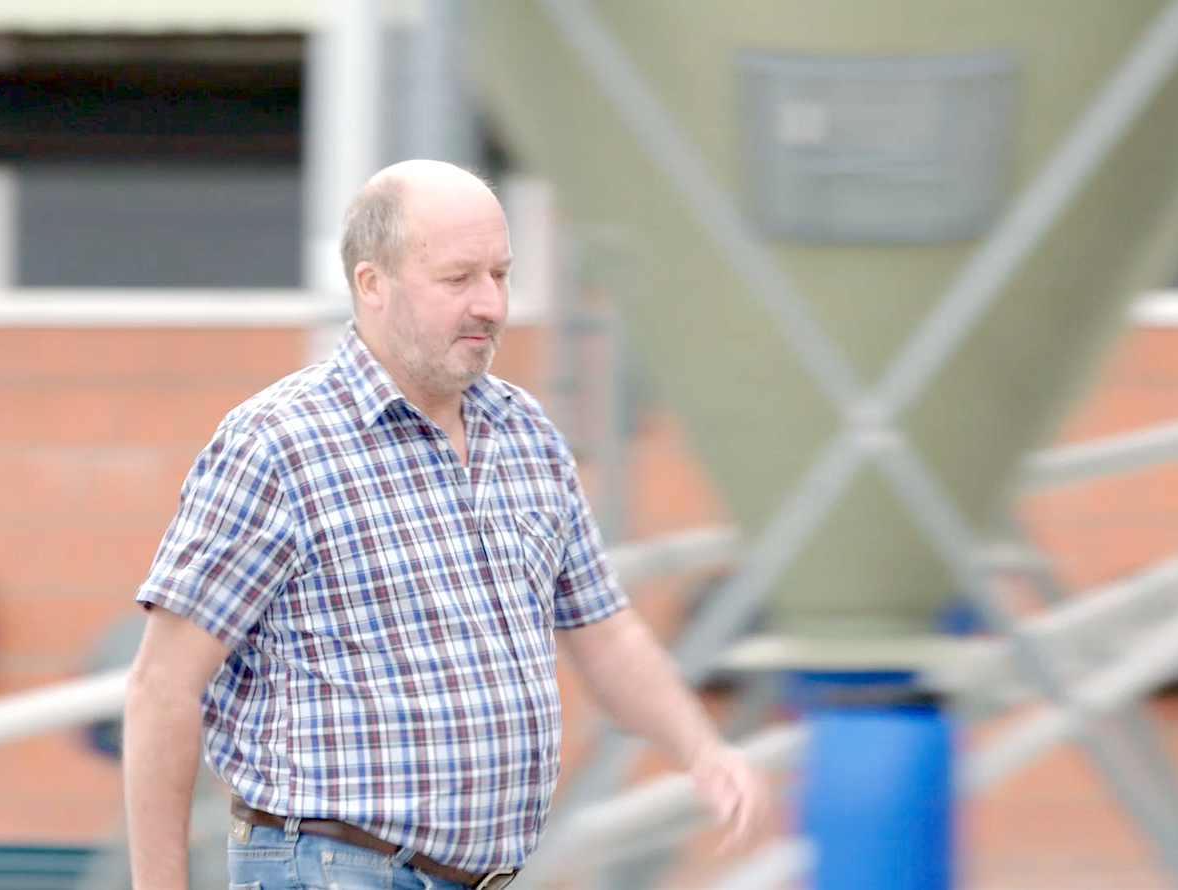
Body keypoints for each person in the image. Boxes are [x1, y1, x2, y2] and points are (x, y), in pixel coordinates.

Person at [122, 159, 765, 890]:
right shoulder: (277, 444)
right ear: (373, 284)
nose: (491, 304)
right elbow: (162, 689)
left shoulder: (524, 432)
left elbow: (604, 629)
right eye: (459, 279)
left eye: (501, 273)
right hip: (332, 868)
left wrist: (701, 751)